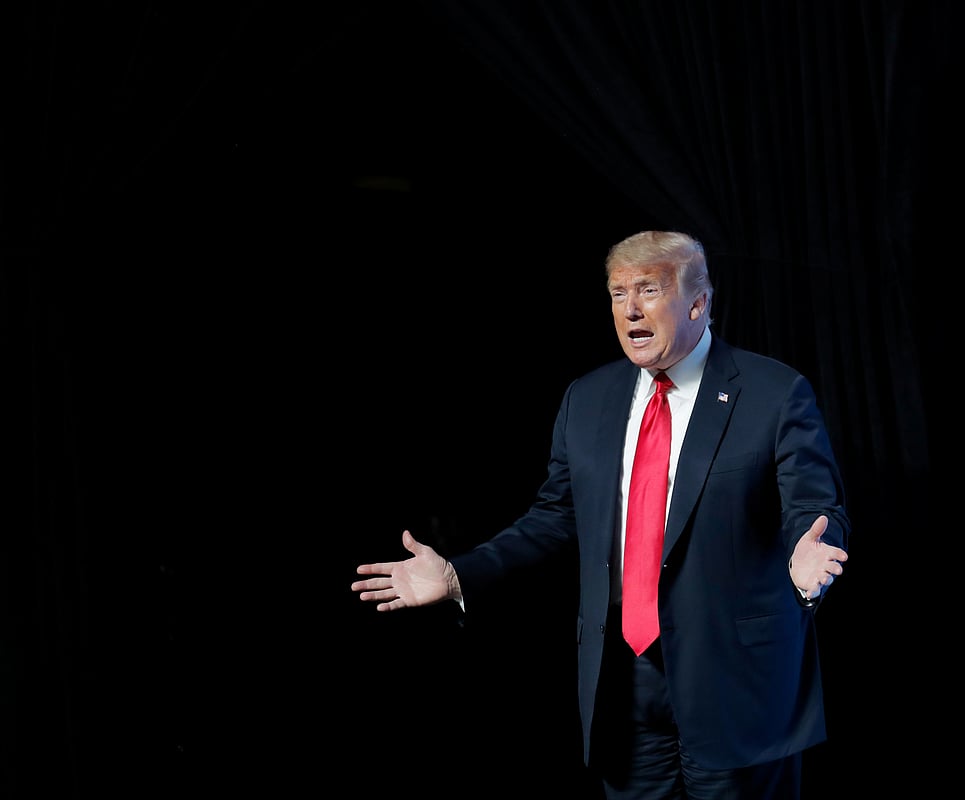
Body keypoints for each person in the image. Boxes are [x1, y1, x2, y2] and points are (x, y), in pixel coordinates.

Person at [351, 230, 850, 799]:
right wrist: (462, 574)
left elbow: (812, 507)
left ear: (698, 302)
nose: (630, 308)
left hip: (737, 685)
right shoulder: (587, 399)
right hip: (623, 689)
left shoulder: (774, 392)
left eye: (648, 289)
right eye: (617, 293)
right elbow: (553, 520)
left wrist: (811, 552)